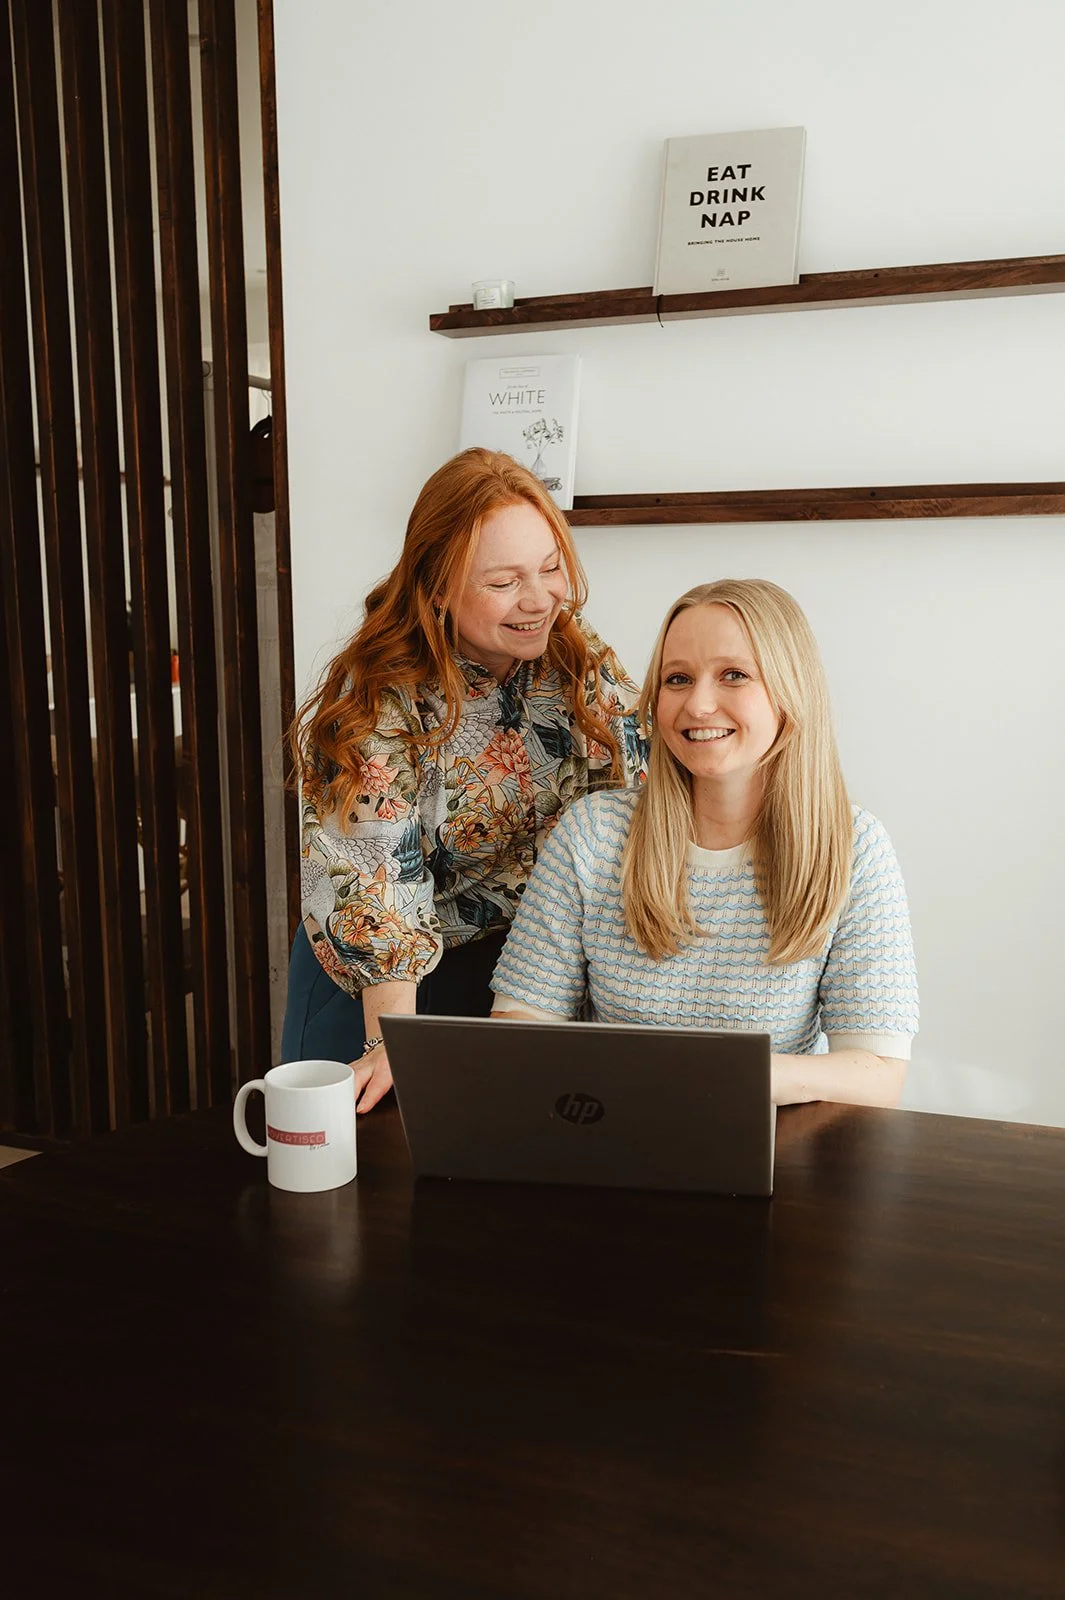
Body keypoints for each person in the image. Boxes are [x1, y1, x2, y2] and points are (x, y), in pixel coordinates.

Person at [283, 448, 647, 1111]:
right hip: (382, 980)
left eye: (549, 568)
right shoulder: (377, 697)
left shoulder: (573, 654)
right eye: (504, 582)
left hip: (524, 975)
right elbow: (373, 880)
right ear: (438, 586)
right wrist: (392, 1038)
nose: (539, 600)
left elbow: (640, 781)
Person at [491, 579, 918, 1108]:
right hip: (607, 1141)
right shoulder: (594, 834)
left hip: (770, 1155)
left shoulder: (854, 849)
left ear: (791, 691)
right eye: (678, 679)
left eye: (733, 675)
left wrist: (714, 1077)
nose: (698, 704)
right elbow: (517, 1029)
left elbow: (876, 1073)